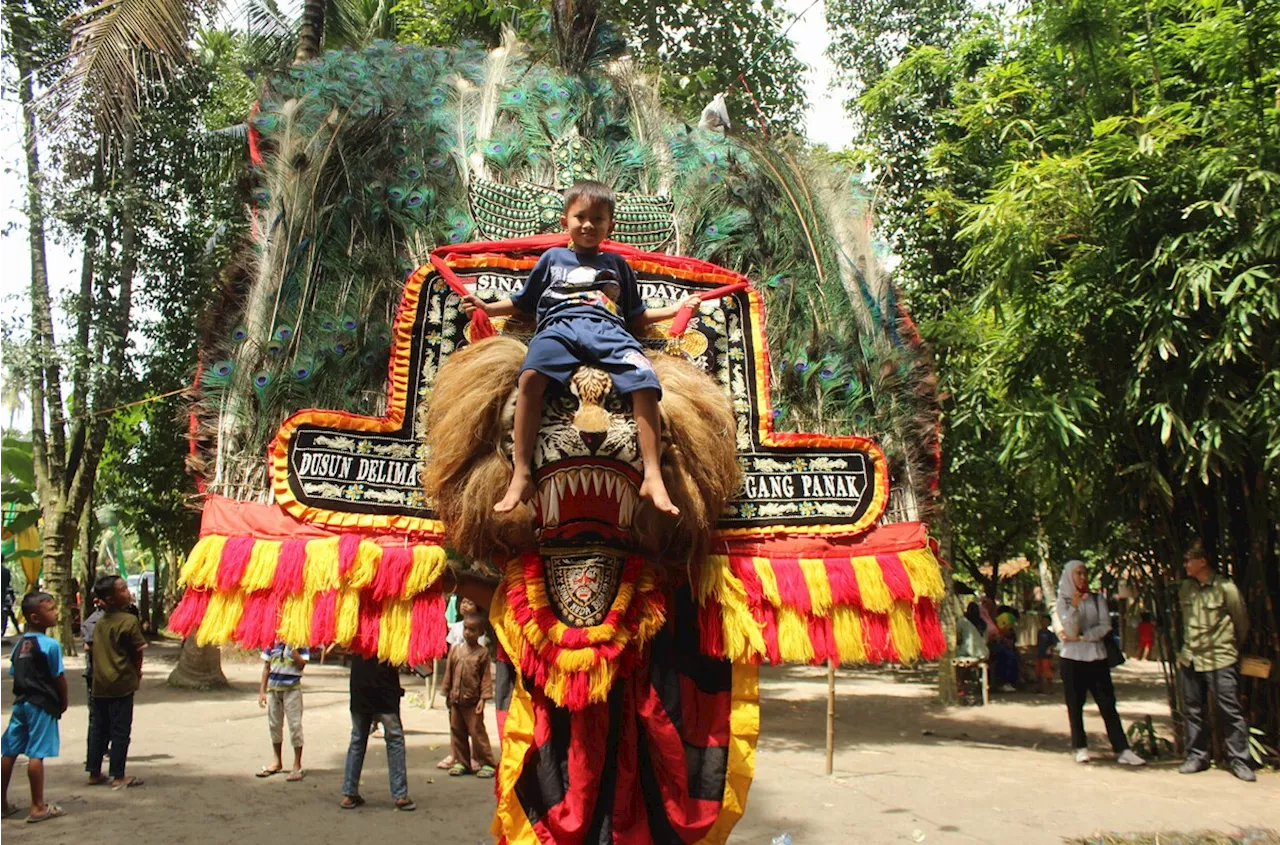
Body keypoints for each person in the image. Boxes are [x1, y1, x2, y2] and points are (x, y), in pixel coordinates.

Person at [461, 180, 699, 517]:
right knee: (529, 378)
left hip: (609, 332)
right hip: (559, 329)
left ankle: (653, 475)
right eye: (580, 217)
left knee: (646, 380)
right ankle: (522, 472)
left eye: (598, 219)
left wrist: (680, 309)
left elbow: (637, 316)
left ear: (610, 226)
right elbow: (523, 303)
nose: (588, 225)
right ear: (565, 222)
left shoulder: (618, 265)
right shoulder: (552, 258)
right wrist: (484, 307)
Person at [1054, 560, 1145, 766]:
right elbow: (1069, 631)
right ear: (1070, 576)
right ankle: (1080, 746)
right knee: (1075, 706)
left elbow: (1105, 626)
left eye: (1085, 574)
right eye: (1078, 574)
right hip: (1072, 659)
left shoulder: (1097, 599)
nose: (1083, 578)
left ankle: (1122, 748)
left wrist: (1087, 636)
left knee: (1108, 705)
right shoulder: (1063, 602)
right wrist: (1075, 607)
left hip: (1096, 657)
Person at [1177, 539, 1254, 781]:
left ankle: (1240, 761)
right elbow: (1183, 622)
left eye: (1189, 560)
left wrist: (1230, 648)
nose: (1185, 564)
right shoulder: (1186, 589)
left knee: (1229, 711)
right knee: (1192, 709)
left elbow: (1241, 623)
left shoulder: (1226, 589)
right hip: (1190, 657)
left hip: (1220, 658)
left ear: (1203, 561)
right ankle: (1197, 757)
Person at [0, 592, 68, 822]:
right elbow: (58, 677)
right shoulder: (51, 645)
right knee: (36, 754)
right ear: (35, 617)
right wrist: (63, 701)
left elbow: (14, 673)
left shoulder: (20, 644)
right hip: (41, 704)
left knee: (8, 751)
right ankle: (38, 806)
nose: (56, 612)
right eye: (50, 609)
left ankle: (2, 804)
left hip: (21, 703)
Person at [86, 575, 146, 789]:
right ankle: (118, 776)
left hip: (100, 684)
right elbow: (137, 652)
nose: (127, 592)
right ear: (110, 599)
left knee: (98, 728)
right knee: (120, 730)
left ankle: (94, 771)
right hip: (121, 682)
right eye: (122, 590)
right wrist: (137, 673)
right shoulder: (129, 621)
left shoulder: (100, 621)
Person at [340, 654, 414, 810]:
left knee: (357, 740)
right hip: (385, 688)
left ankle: (349, 793)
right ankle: (400, 795)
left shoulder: (356, 630)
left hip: (360, 686)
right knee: (395, 741)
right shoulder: (394, 629)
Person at [442, 613, 496, 778]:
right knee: (457, 731)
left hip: (472, 702)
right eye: (466, 629)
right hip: (456, 699)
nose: (468, 633)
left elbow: (485, 677)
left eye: (472, 630)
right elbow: (448, 674)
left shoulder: (482, 653)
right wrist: (446, 693)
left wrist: (483, 698)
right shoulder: (456, 651)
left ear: (480, 633)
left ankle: (487, 763)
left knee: (477, 732)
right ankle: (461, 761)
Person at [256, 642, 308, 781]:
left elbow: (302, 664)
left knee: (295, 726)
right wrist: (262, 691)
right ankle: (277, 761)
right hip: (274, 690)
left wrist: (294, 650)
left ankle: (297, 764)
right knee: (274, 725)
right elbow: (267, 667)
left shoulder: (300, 642)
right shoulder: (272, 643)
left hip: (292, 690)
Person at [80, 597, 104, 778]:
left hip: (103, 676)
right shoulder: (94, 621)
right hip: (97, 676)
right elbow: (88, 647)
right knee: (97, 720)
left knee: (100, 721)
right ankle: (94, 766)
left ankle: (100, 753)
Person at [1036, 614, 1059, 694]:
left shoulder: (1050, 633)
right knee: (1038, 672)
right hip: (1040, 654)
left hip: (1047, 655)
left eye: (1046, 621)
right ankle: (1040, 688)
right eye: (1043, 621)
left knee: (1047, 672)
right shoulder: (1039, 632)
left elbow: (1054, 643)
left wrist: (1050, 648)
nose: (1044, 623)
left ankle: (1050, 688)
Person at [0, 562, 19, 638]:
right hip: (5, 595)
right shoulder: (6, 571)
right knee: (9, 613)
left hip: (3, 595)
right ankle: (17, 629)